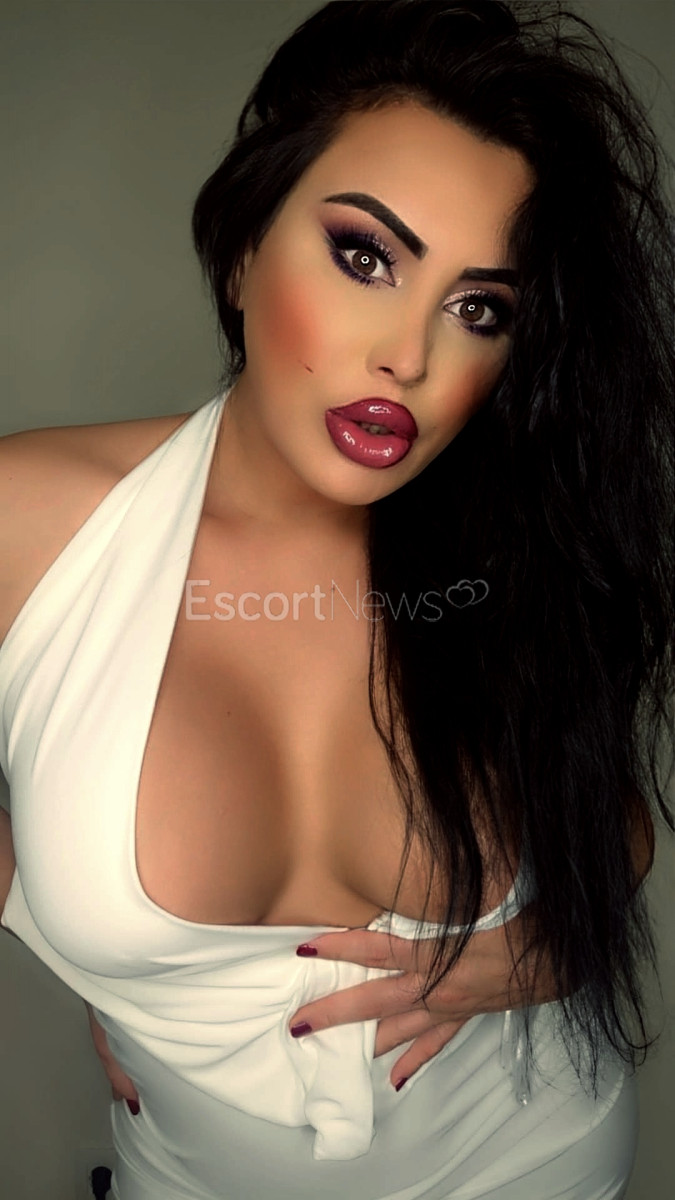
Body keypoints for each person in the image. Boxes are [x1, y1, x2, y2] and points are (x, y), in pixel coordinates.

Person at [0, 0, 673, 1196]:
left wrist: (547, 952)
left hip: (542, 1159)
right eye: (366, 257)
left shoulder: (512, 555)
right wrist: (100, 957)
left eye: (479, 309)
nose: (408, 355)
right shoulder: (28, 522)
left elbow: (608, 814)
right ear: (243, 247)